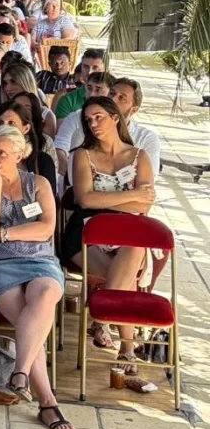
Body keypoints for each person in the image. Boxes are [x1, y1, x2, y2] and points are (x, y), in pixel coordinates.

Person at [0, 124, 72, 429]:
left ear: (20, 154)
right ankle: (47, 402)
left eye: (2, 153)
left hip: (38, 260)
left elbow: (46, 228)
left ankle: (20, 372)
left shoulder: (38, 183)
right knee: (33, 321)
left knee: (45, 295)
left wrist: (4, 234)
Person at [63, 97, 155, 365]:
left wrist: (104, 199)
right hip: (86, 232)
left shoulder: (139, 156)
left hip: (127, 232)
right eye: (88, 120)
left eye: (99, 117)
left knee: (132, 253)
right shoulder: (83, 155)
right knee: (126, 279)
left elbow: (145, 204)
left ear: (115, 118)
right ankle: (126, 347)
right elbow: (85, 200)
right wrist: (131, 195)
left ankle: (103, 319)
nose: (93, 124)